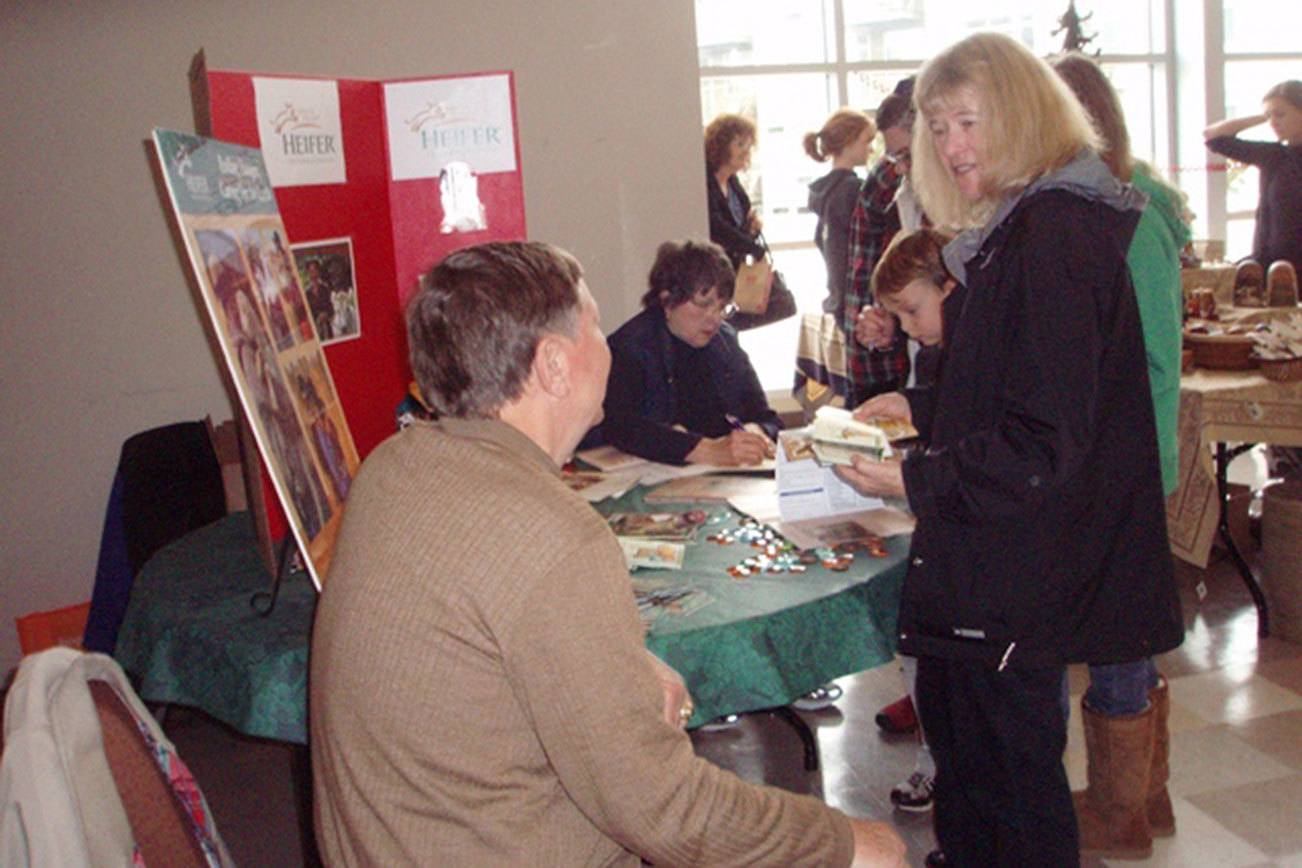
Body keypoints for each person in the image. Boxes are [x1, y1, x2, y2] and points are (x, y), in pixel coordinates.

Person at [310, 240, 908, 867]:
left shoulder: (391, 467)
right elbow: (664, 811)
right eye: (592, 326)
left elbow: (472, 650)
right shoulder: (554, 536)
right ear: (552, 366)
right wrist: (841, 841)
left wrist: (621, 668)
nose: (607, 344)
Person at [837, 33, 1184, 866]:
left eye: (969, 122)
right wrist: (920, 405)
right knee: (979, 781)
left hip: (1014, 576)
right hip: (996, 569)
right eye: (939, 127)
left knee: (1012, 797)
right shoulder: (1025, 223)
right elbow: (1022, 387)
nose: (953, 146)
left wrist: (911, 475)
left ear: (1023, 117)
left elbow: (1045, 438)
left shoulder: (1056, 233)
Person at [1052, 51, 1191, 859]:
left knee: (1118, 633)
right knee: (1125, 630)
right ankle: (1147, 797)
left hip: (1124, 461)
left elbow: (1152, 357)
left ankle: (1120, 811)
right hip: (1120, 455)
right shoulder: (1113, 207)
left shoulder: (1133, 218)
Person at [867, 227, 960, 817]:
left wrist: (906, 479)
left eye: (913, 311)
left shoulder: (989, 348)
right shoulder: (939, 346)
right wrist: (910, 405)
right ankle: (943, 770)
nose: (909, 328)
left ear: (950, 287)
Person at [601, 239, 780, 466]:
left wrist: (755, 432)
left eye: (722, 307)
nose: (714, 319)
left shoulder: (726, 341)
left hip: (729, 478)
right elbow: (621, 427)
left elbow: (767, 417)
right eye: (703, 304)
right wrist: (703, 450)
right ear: (667, 300)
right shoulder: (631, 347)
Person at [842, 81, 919, 405]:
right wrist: (888, 324)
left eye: (905, 155)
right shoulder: (897, 190)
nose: (899, 168)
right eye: (893, 156)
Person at [1203, 79, 1302, 275]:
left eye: (1280, 114)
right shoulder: (1273, 155)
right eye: (1269, 115)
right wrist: (1262, 118)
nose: (1273, 122)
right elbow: (1213, 137)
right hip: (1271, 265)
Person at [805, 109, 876, 319]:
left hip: (837, 294)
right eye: (866, 142)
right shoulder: (852, 190)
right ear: (849, 141)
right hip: (855, 295)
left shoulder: (827, 192)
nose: (871, 149)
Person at [706, 113, 765, 272]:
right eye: (740, 144)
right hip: (714, 272)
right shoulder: (707, 182)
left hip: (735, 270)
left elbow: (738, 231)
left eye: (749, 145)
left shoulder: (733, 183)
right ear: (720, 146)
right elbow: (717, 228)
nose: (746, 152)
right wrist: (753, 248)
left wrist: (751, 229)